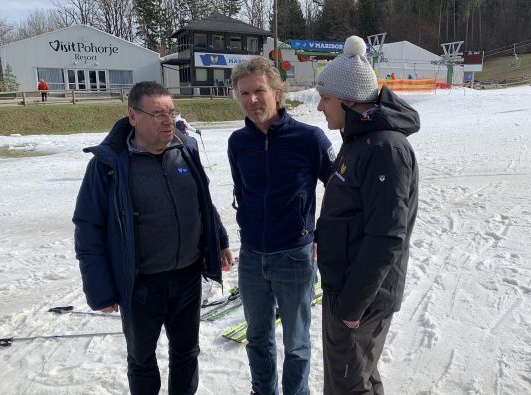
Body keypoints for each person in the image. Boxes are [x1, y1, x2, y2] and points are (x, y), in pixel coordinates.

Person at [73, 81, 232, 394]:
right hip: (141, 285)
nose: (168, 120)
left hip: (187, 277)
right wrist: (100, 289)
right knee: (142, 360)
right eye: (157, 113)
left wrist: (220, 239)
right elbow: (87, 227)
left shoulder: (186, 149)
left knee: (187, 353)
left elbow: (203, 201)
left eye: (171, 112)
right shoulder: (108, 166)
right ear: (133, 116)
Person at [315, 35, 419, 394]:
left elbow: (387, 236)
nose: (319, 107)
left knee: (347, 385)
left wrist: (351, 306)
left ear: (350, 101)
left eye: (325, 99)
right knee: (359, 375)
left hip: (361, 297)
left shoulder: (384, 149)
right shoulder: (359, 139)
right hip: (346, 286)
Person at [228, 57, 334, 395]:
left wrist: (322, 235)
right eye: (244, 93)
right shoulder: (237, 143)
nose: (252, 100)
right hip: (252, 258)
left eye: (259, 91)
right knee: (257, 337)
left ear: (277, 91)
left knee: (296, 342)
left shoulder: (309, 139)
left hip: (295, 256)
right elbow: (242, 192)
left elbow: (338, 188)